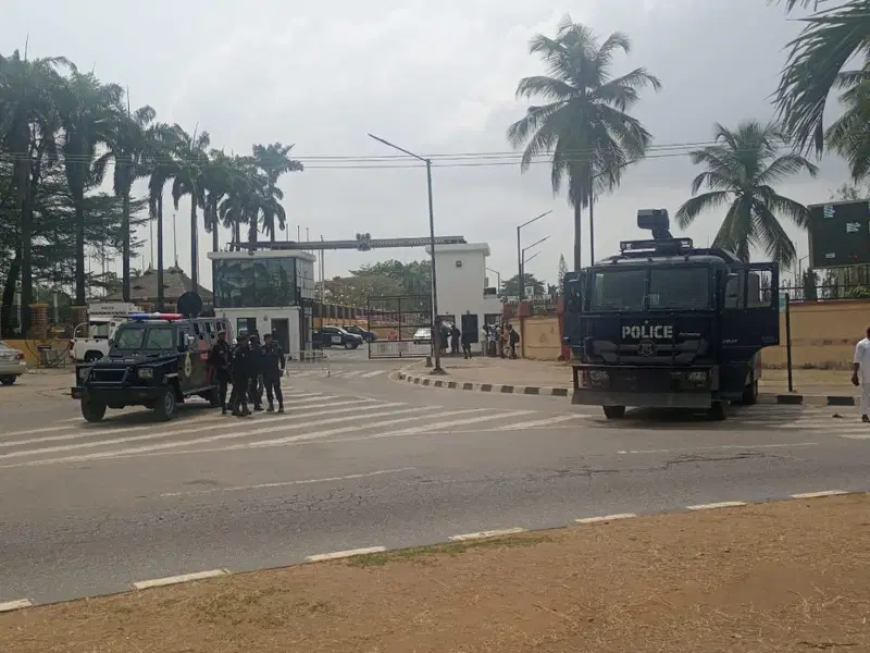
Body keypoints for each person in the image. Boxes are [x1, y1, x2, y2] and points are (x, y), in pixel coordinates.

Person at [208, 329, 233, 415]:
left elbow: (230, 356)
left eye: (224, 335)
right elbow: (211, 360)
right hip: (221, 371)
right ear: (219, 336)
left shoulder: (226, 345)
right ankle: (223, 406)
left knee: (236, 386)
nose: (224, 336)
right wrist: (219, 366)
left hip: (228, 371)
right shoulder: (216, 347)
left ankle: (231, 403)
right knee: (223, 389)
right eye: (222, 335)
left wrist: (230, 364)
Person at [262, 333, 286, 413]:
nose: (269, 340)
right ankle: (271, 405)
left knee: (277, 389)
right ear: (264, 340)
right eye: (267, 339)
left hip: (275, 371)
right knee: (268, 390)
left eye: (270, 338)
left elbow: (282, 359)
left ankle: (281, 405)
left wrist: (282, 369)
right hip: (266, 372)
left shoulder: (276, 347)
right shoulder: (262, 348)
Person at [851, 326, 870, 422]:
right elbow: (857, 360)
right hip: (866, 374)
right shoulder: (862, 344)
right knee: (865, 395)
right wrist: (855, 374)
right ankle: (864, 414)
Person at [230, 335, 251, 417]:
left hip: (244, 374)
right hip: (238, 374)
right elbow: (235, 364)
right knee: (241, 391)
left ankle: (235, 407)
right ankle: (243, 408)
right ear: (241, 341)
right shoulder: (237, 351)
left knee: (242, 391)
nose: (247, 342)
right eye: (245, 340)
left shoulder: (245, 349)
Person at [247, 332, 265, 412]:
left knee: (253, 387)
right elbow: (263, 358)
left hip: (253, 371)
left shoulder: (249, 349)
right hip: (257, 370)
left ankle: (255, 401)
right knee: (257, 386)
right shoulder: (258, 348)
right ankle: (256, 401)